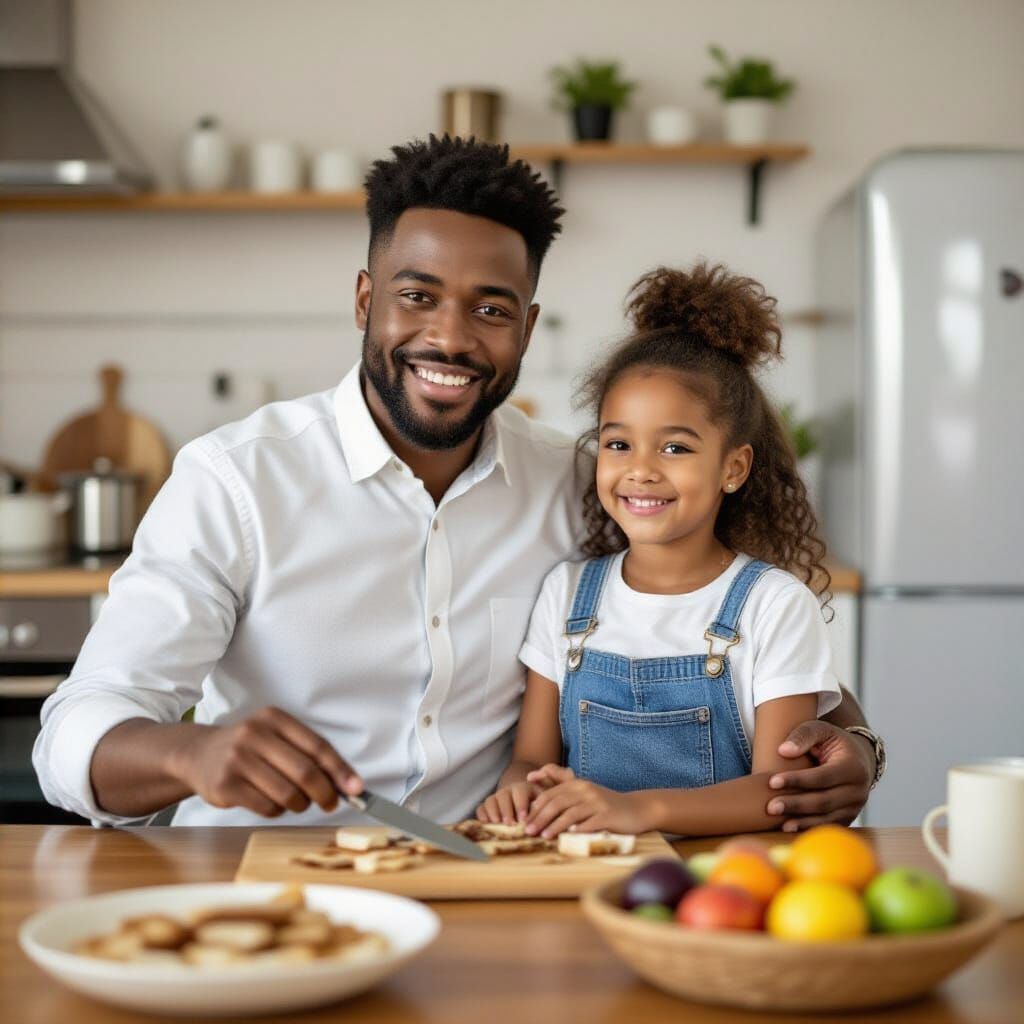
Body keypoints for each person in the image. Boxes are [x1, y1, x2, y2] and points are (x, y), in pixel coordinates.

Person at [34, 137, 880, 829]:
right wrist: (192, 755)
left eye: (490, 308)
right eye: (417, 295)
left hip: (490, 886)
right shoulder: (237, 480)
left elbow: (726, 627)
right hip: (267, 881)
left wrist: (854, 744)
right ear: (366, 300)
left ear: (527, 327)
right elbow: (75, 733)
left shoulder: (584, 481)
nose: (450, 338)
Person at [478, 263, 879, 838]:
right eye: (618, 443)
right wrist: (515, 796)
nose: (640, 470)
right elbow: (529, 761)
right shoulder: (566, 595)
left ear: (733, 468)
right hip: (586, 882)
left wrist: (639, 811)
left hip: (730, 884)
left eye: (674, 447)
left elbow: (781, 790)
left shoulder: (772, 604)